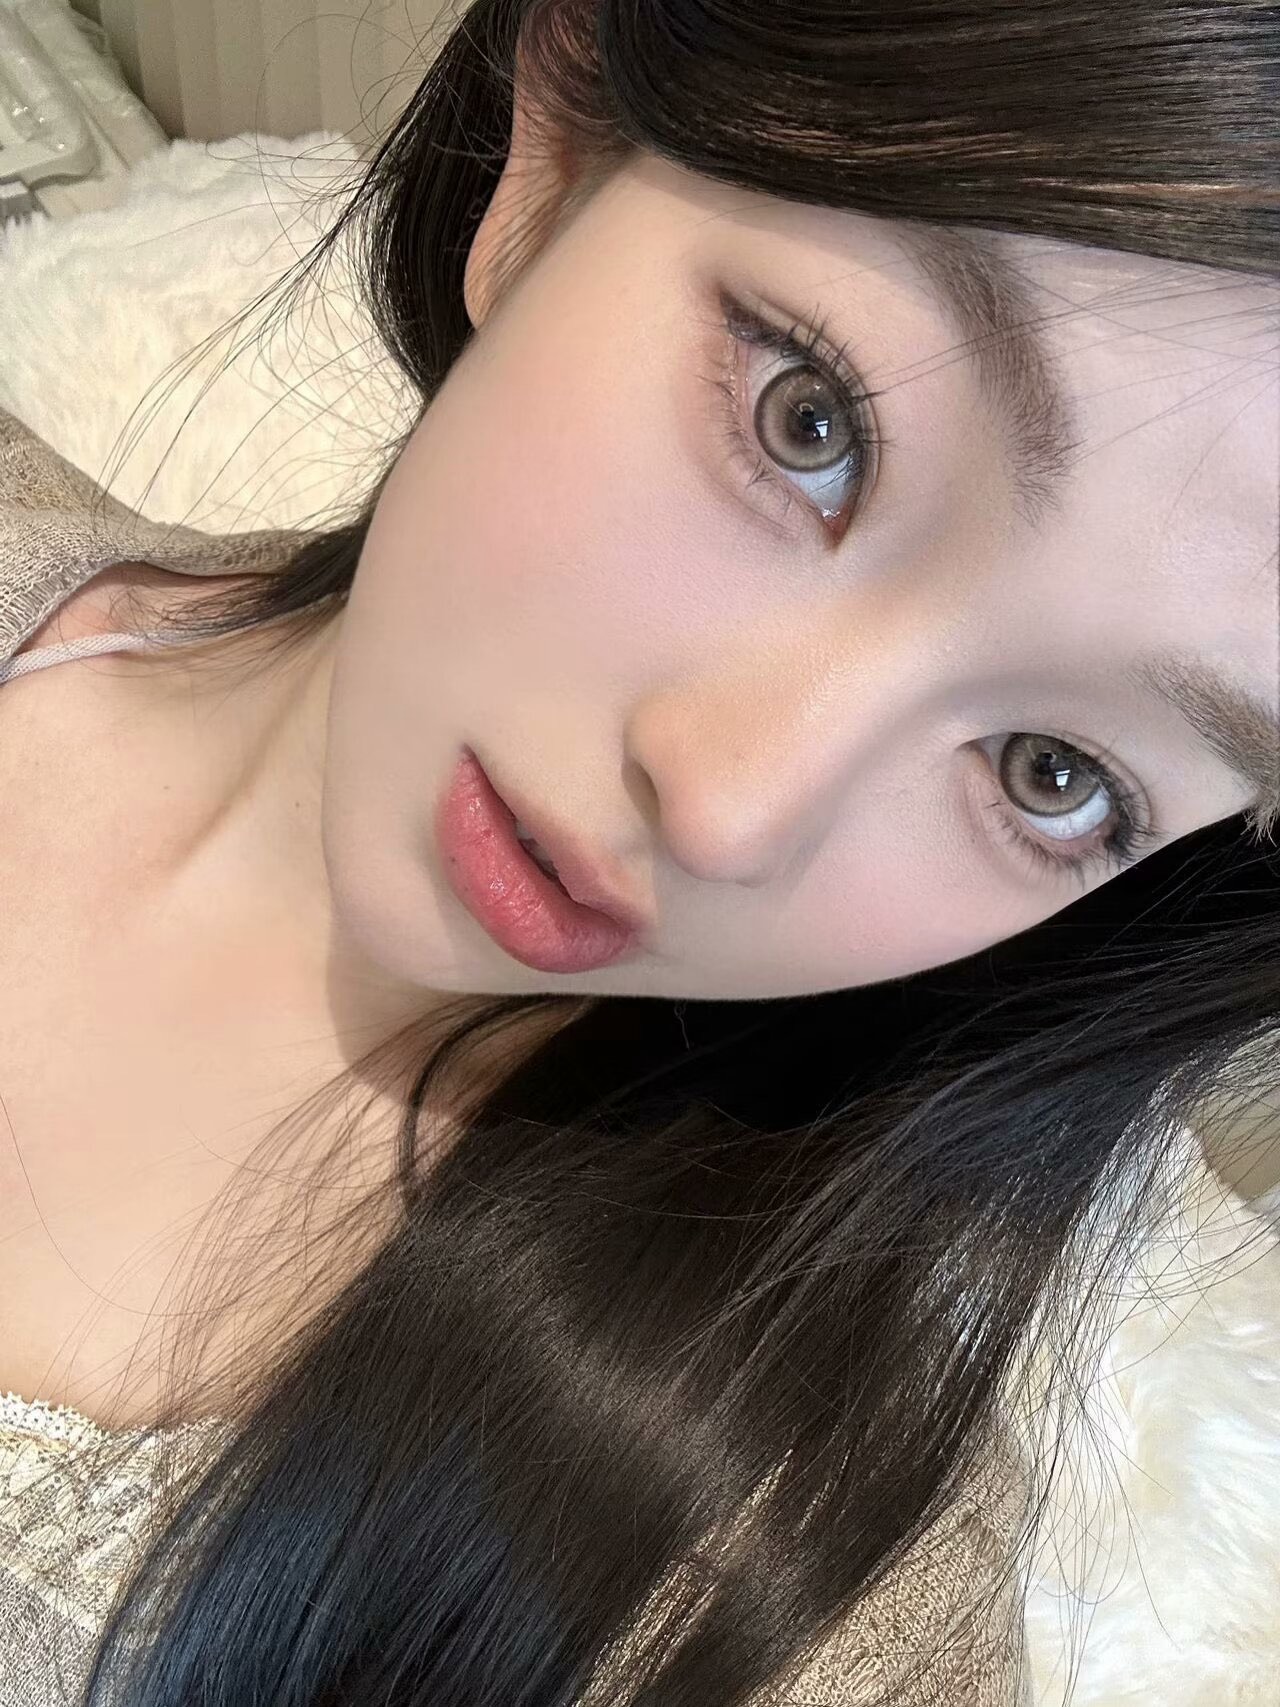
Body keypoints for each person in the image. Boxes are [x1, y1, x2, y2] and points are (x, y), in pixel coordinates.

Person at [0, 0, 1276, 1701]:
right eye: (811, 421)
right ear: (559, 152)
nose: (733, 808)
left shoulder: (778, 1605)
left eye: (1054, 776)